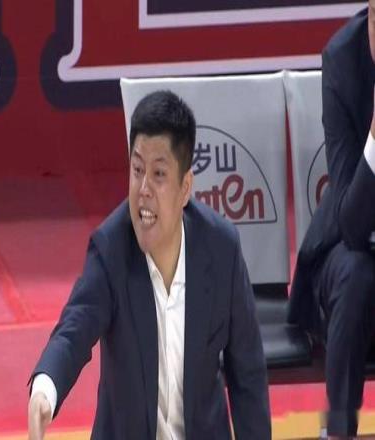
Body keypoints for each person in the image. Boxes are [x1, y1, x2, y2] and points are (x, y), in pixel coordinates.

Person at [28, 90, 271, 439]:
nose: (143, 189)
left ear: (185, 187)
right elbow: (74, 329)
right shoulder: (111, 249)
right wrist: (45, 388)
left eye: (158, 174)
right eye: (137, 170)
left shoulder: (222, 250)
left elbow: (248, 374)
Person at [288, 3, 375, 439]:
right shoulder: (343, 61)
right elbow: (353, 224)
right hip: (346, 247)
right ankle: (339, 430)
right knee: (357, 275)